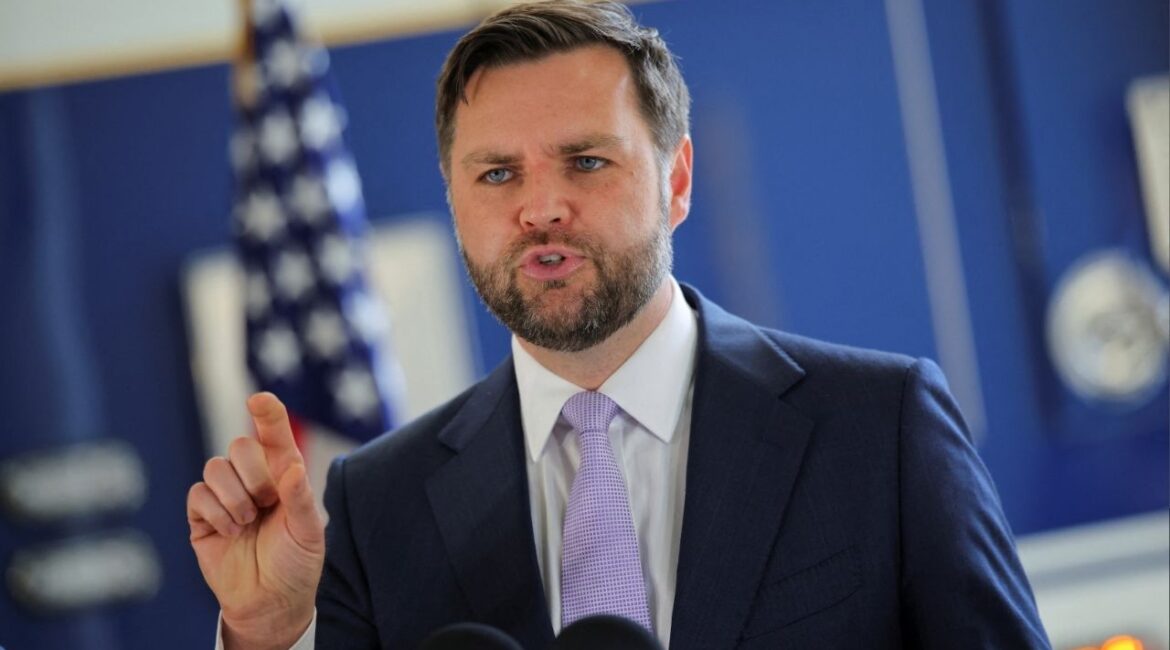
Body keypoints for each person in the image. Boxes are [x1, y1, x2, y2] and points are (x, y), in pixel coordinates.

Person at [186, 1, 1052, 648]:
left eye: (586, 161)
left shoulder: (880, 426)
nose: (540, 209)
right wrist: (265, 634)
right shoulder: (376, 503)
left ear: (676, 181)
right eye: (496, 175)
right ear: (455, 203)